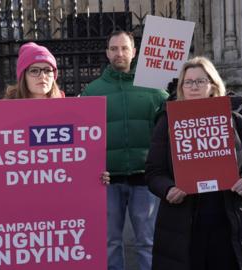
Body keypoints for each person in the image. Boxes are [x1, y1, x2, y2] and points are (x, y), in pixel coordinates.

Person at [0, 42, 110, 213]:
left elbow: (79, 160)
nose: (43, 76)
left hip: (61, 208)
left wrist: (97, 176)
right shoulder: (2, 116)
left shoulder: (71, 114)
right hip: (19, 210)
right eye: (35, 70)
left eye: (48, 70)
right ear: (23, 76)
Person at [146, 56, 242, 270]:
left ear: (213, 85)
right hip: (183, 225)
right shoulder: (167, 122)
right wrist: (168, 189)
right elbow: (153, 172)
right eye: (188, 82)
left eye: (200, 81)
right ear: (181, 87)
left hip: (230, 221)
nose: (193, 87)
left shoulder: (236, 119)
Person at [80, 30, 169, 270]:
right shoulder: (92, 91)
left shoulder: (156, 90)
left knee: (147, 242)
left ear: (134, 52)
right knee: (109, 243)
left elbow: (169, 130)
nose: (120, 53)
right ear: (107, 53)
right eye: (114, 49)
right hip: (107, 180)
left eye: (124, 48)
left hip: (145, 179)